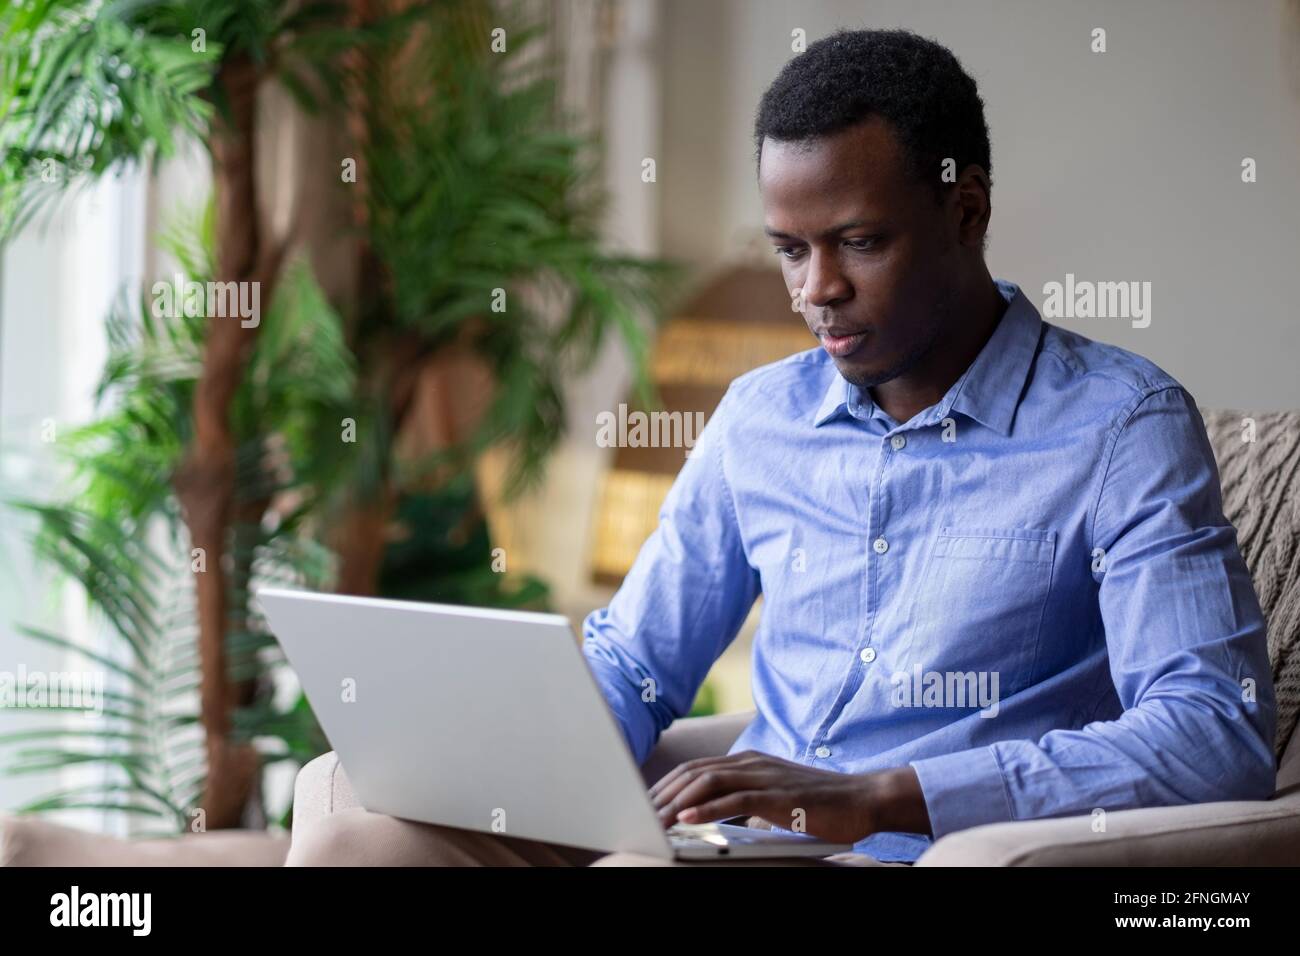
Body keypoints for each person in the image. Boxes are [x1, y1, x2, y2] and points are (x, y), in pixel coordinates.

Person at [286, 27, 1276, 867]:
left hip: (924, 850)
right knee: (349, 832)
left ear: (965, 209)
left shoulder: (1120, 426)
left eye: (858, 241)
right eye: (790, 249)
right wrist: (476, 744)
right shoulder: (760, 416)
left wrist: (880, 794)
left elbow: (1212, 730)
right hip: (737, 845)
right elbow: (636, 660)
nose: (815, 290)